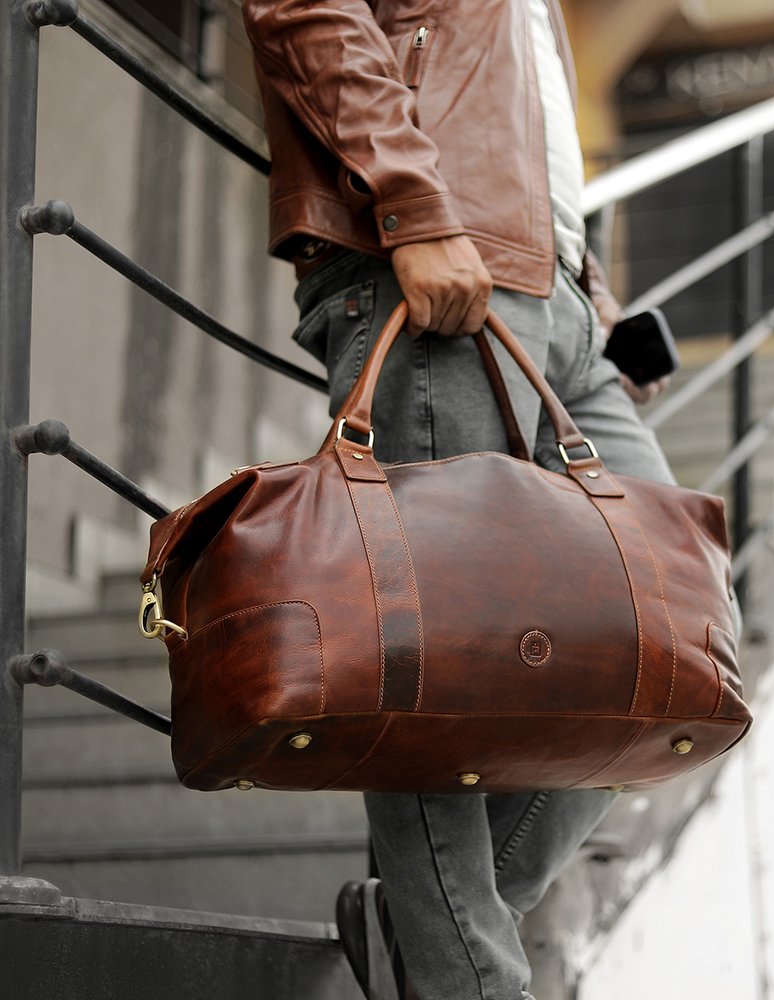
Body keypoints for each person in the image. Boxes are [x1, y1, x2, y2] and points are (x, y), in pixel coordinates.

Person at [242, 2, 676, 998]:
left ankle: (421, 922)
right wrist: (412, 206)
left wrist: (591, 291)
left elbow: (515, 104)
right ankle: (464, 975)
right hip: (438, 267)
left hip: (551, 294)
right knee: (438, 652)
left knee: (672, 627)